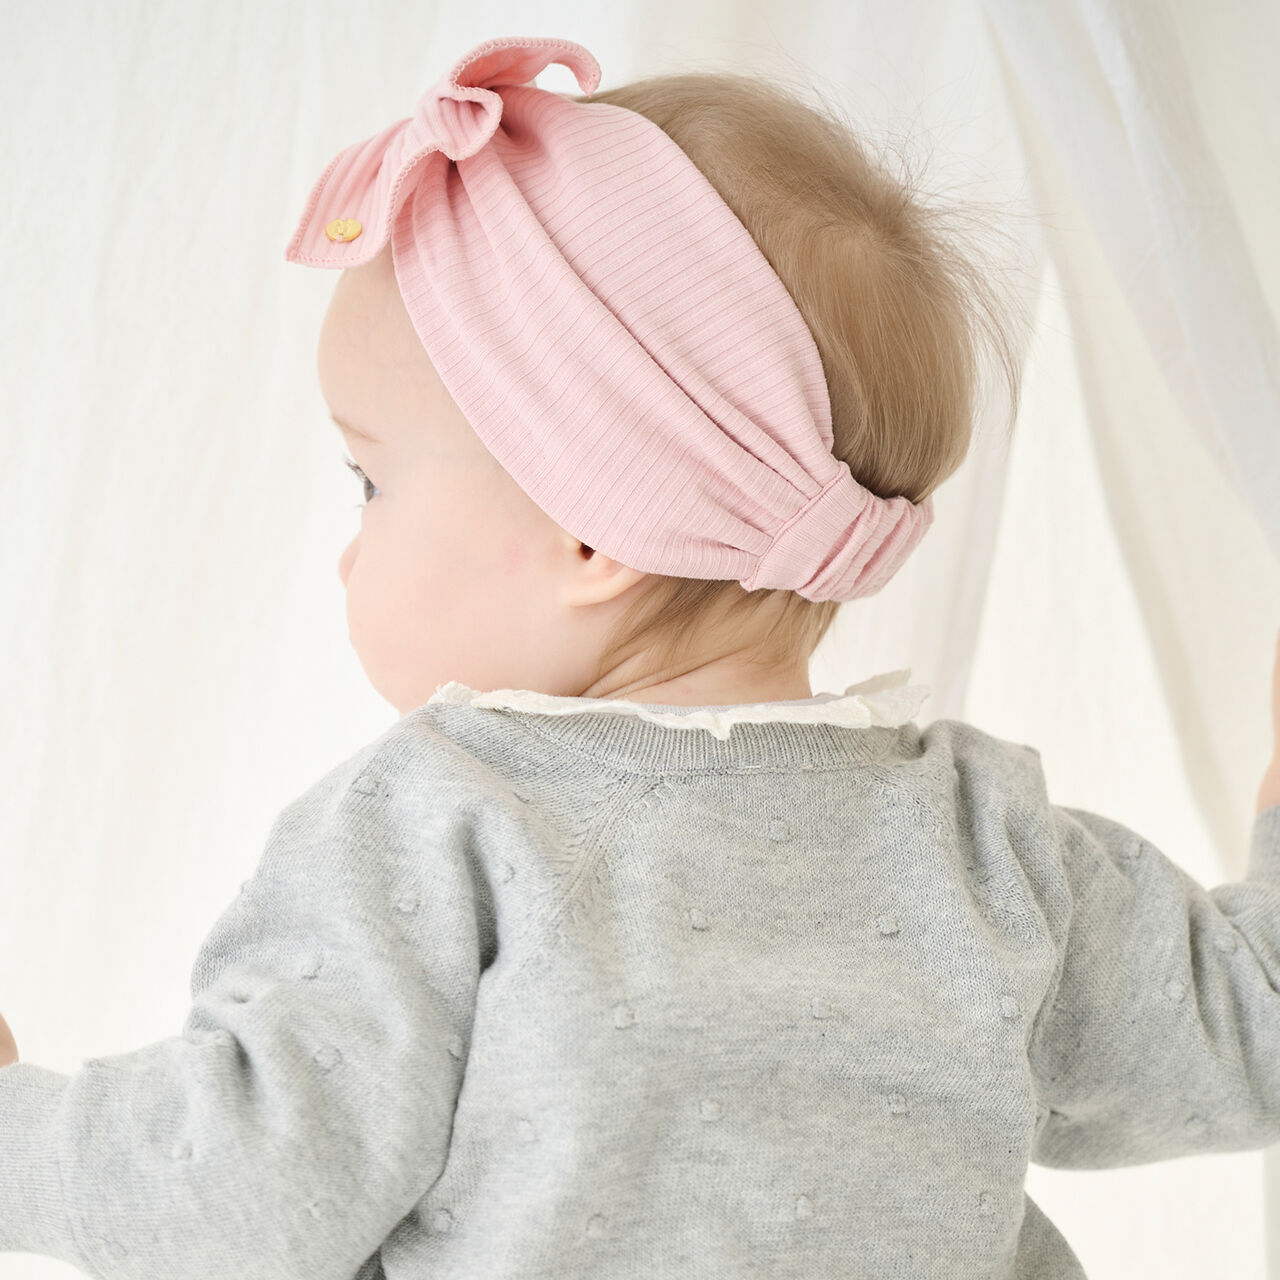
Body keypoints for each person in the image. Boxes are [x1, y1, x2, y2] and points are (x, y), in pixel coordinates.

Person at [2, 33, 1279, 1280]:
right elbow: (1251, 1022)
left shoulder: (442, 826)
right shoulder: (985, 843)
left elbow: (243, 1191)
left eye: (370, 481)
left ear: (590, 531)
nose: (349, 548)